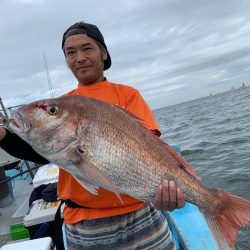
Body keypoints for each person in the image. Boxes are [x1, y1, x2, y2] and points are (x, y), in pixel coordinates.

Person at [0, 22, 196, 250]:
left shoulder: (128, 95)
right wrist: (3, 134)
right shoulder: (66, 102)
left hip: (140, 216)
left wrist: (165, 193)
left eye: (87, 48)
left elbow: (150, 151)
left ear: (103, 53)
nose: (79, 57)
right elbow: (43, 153)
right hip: (84, 225)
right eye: (70, 52)